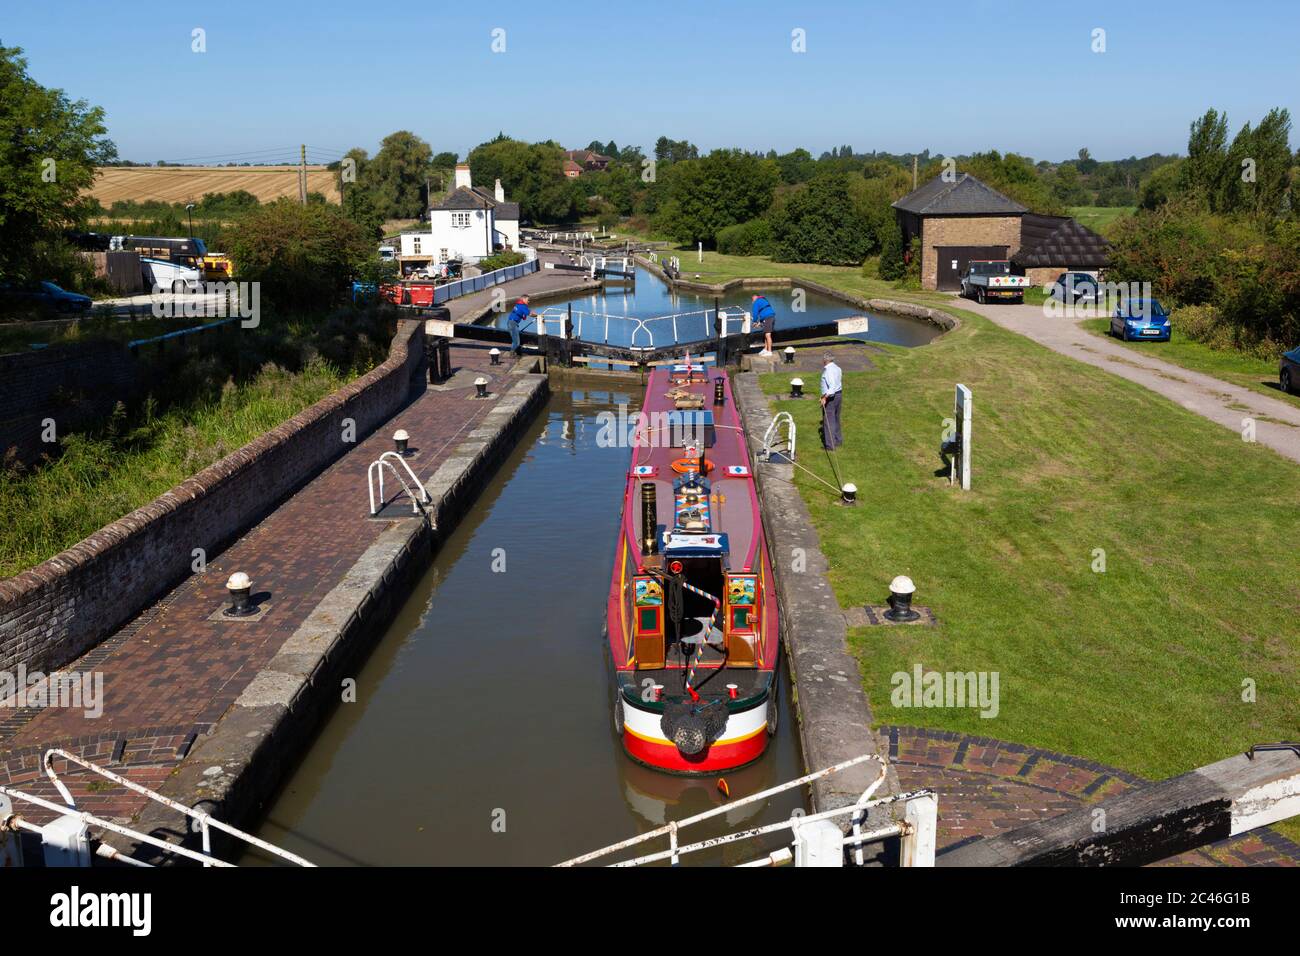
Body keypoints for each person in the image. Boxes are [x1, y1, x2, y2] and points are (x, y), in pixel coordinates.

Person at [820, 352, 843, 450]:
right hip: (839, 395)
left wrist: (825, 398)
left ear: (825, 360)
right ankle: (838, 440)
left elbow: (832, 387)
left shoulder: (828, 371)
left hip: (831, 397)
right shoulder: (837, 368)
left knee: (829, 421)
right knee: (836, 418)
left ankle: (830, 445)